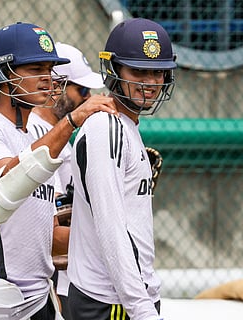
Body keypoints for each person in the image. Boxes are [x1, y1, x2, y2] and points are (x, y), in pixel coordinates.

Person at [0, 22, 117, 320]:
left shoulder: (41, 132)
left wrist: (112, 235)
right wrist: (71, 122)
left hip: (40, 298)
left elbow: (49, 234)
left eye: (49, 68)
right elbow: (7, 185)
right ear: (2, 72)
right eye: (35, 68)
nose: (47, 78)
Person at [67, 18, 177, 320]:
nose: (150, 82)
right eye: (138, 70)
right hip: (111, 303)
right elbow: (111, 227)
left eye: (157, 71)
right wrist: (141, 308)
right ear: (114, 70)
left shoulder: (125, 125)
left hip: (123, 299)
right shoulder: (107, 127)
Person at [28, 41, 105, 320]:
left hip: (68, 278)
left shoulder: (60, 137)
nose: (88, 98)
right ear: (57, 86)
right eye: (82, 90)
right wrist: (114, 234)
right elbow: (47, 236)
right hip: (56, 286)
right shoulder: (40, 135)